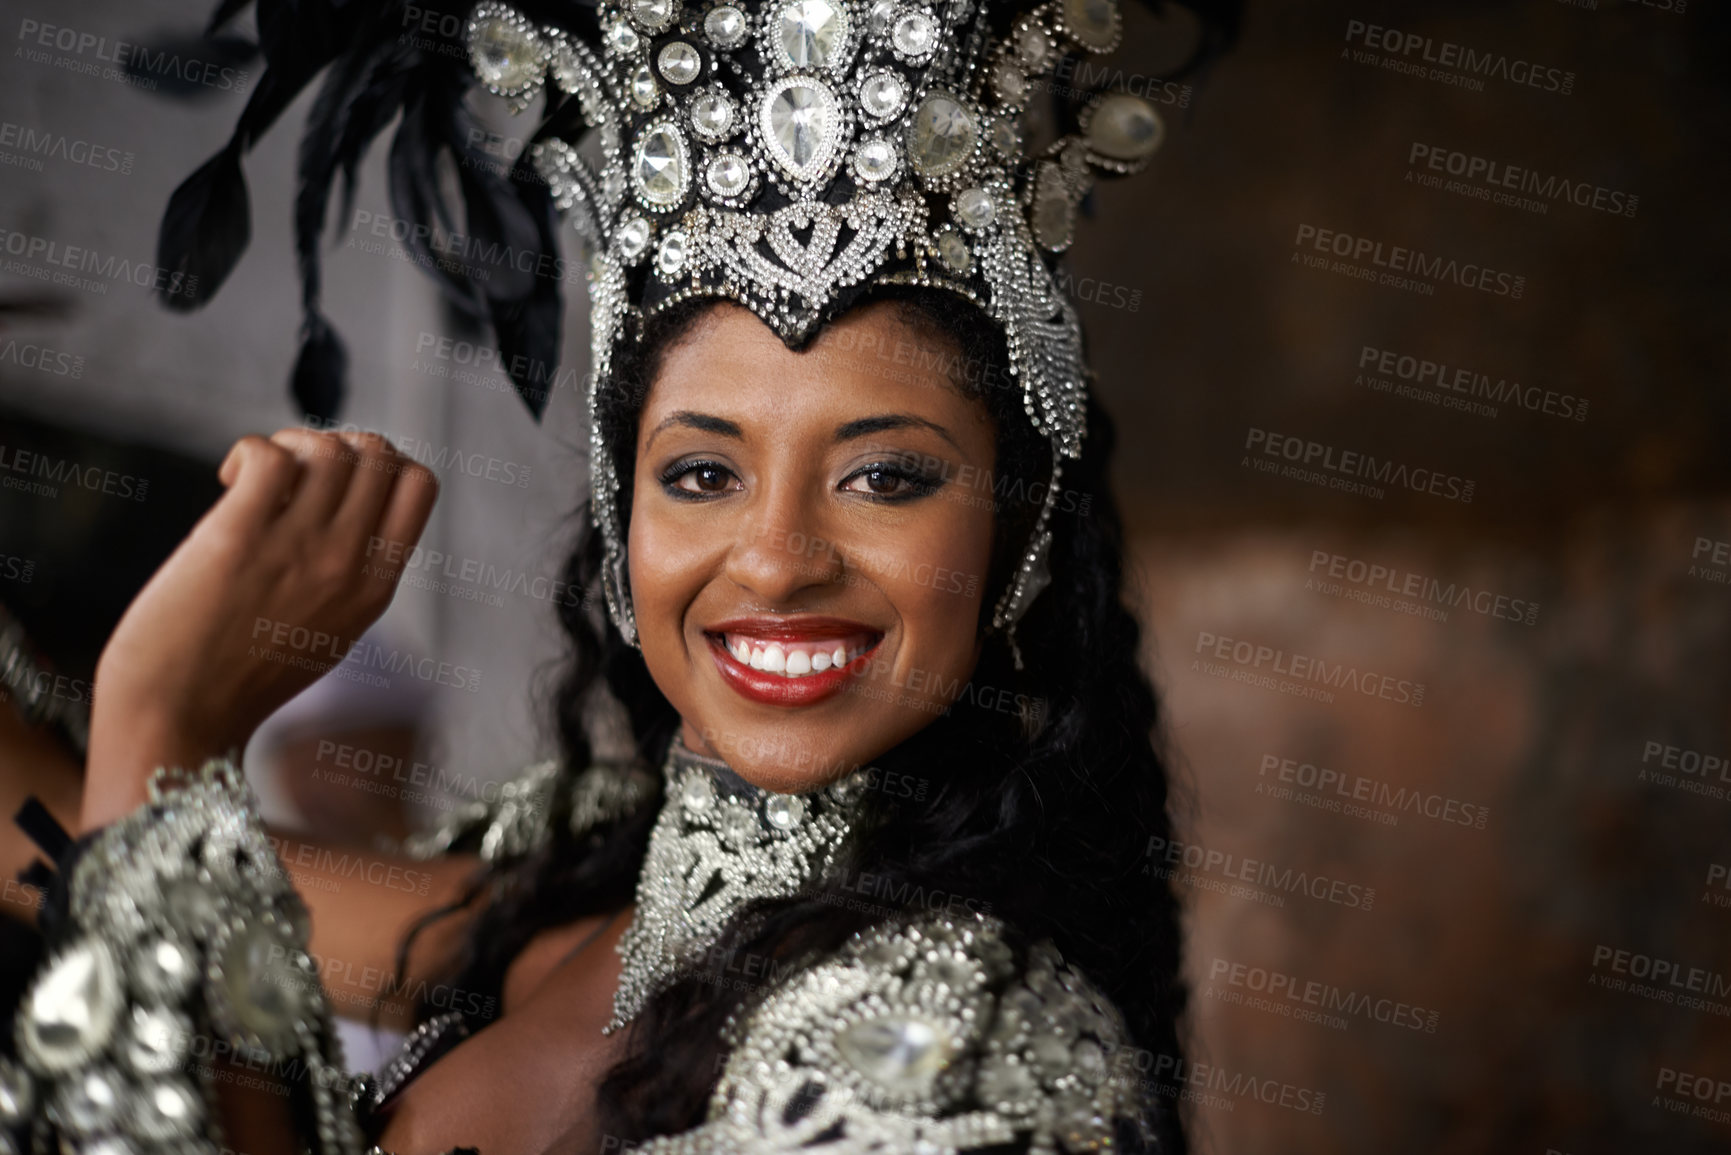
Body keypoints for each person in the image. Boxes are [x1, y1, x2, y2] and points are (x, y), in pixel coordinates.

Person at [1, 0, 1237, 1151]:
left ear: (1019, 534)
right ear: (619, 509)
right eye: (703, 474)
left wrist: (160, 722)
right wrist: (151, 737)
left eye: (886, 477)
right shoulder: (564, 895)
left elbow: (132, 900)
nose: (776, 561)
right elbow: (59, 848)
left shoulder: (949, 1047)